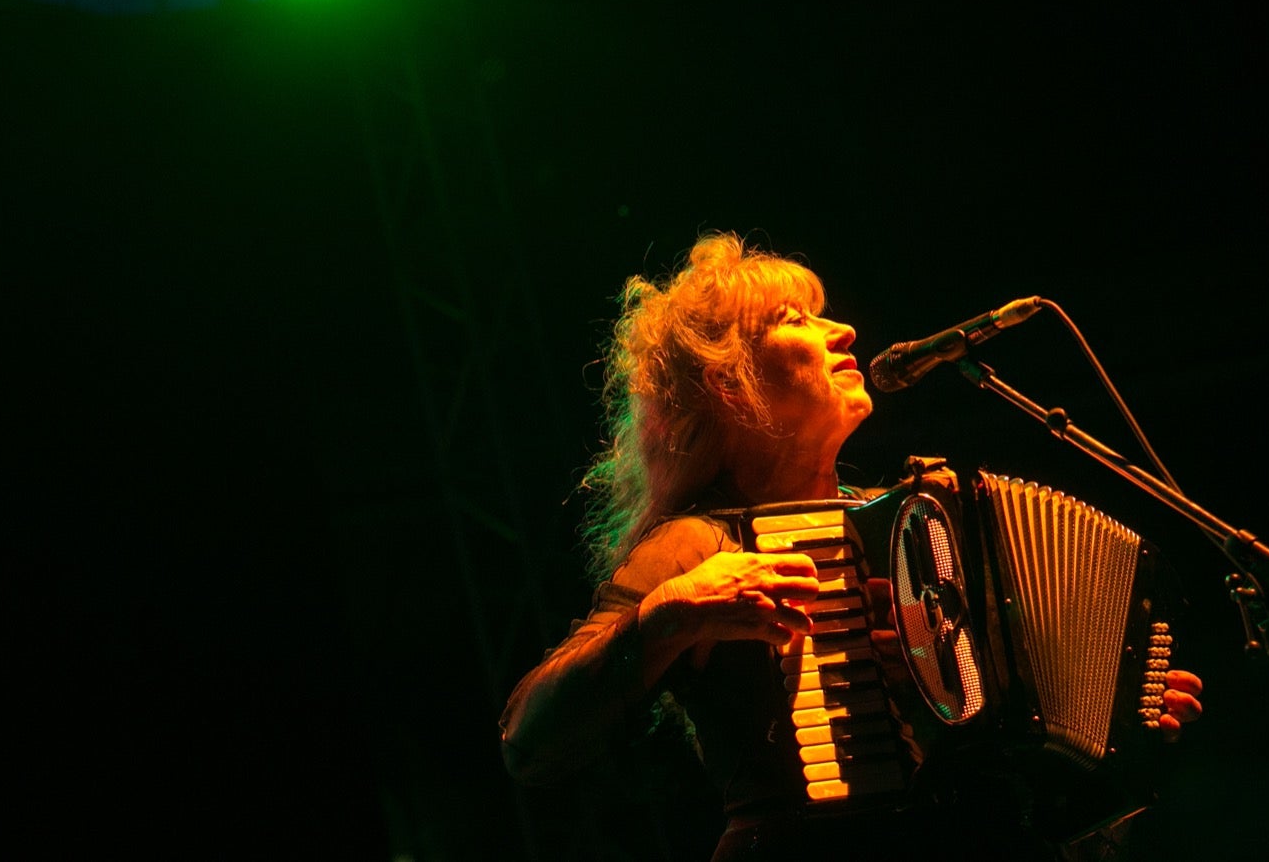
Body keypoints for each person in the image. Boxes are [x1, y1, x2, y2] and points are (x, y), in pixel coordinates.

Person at [499, 231, 1203, 861]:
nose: (843, 330)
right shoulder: (696, 542)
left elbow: (1008, 755)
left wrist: (1124, 731)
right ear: (729, 384)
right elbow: (530, 742)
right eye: (792, 319)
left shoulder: (900, 526)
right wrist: (672, 613)